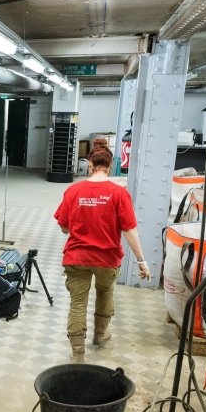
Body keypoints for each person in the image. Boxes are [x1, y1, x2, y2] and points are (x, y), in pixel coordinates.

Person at [53, 146, 150, 361]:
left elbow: (64, 226)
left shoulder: (73, 191)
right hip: (107, 259)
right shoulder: (119, 194)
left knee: (78, 302)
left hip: (77, 257)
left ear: (90, 164)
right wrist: (141, 261)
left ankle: (78, 354)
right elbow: (129, 230)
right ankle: (100, 334)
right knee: (105, 292)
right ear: (109, 166)